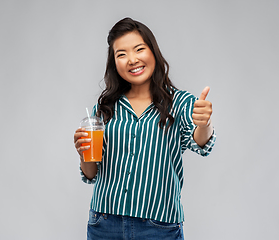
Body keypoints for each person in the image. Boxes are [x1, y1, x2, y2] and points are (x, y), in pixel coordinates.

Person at [74, 17, 216, 240]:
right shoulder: (104, 108)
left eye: (139, 49)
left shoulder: (179, 103)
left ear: (153, 52)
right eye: (121, 54)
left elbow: (201, 143)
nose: (131, 59)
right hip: (105, 223)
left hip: (158, 226)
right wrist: (84, 154)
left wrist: (204, 123)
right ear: (114, 63)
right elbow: (92, 173)